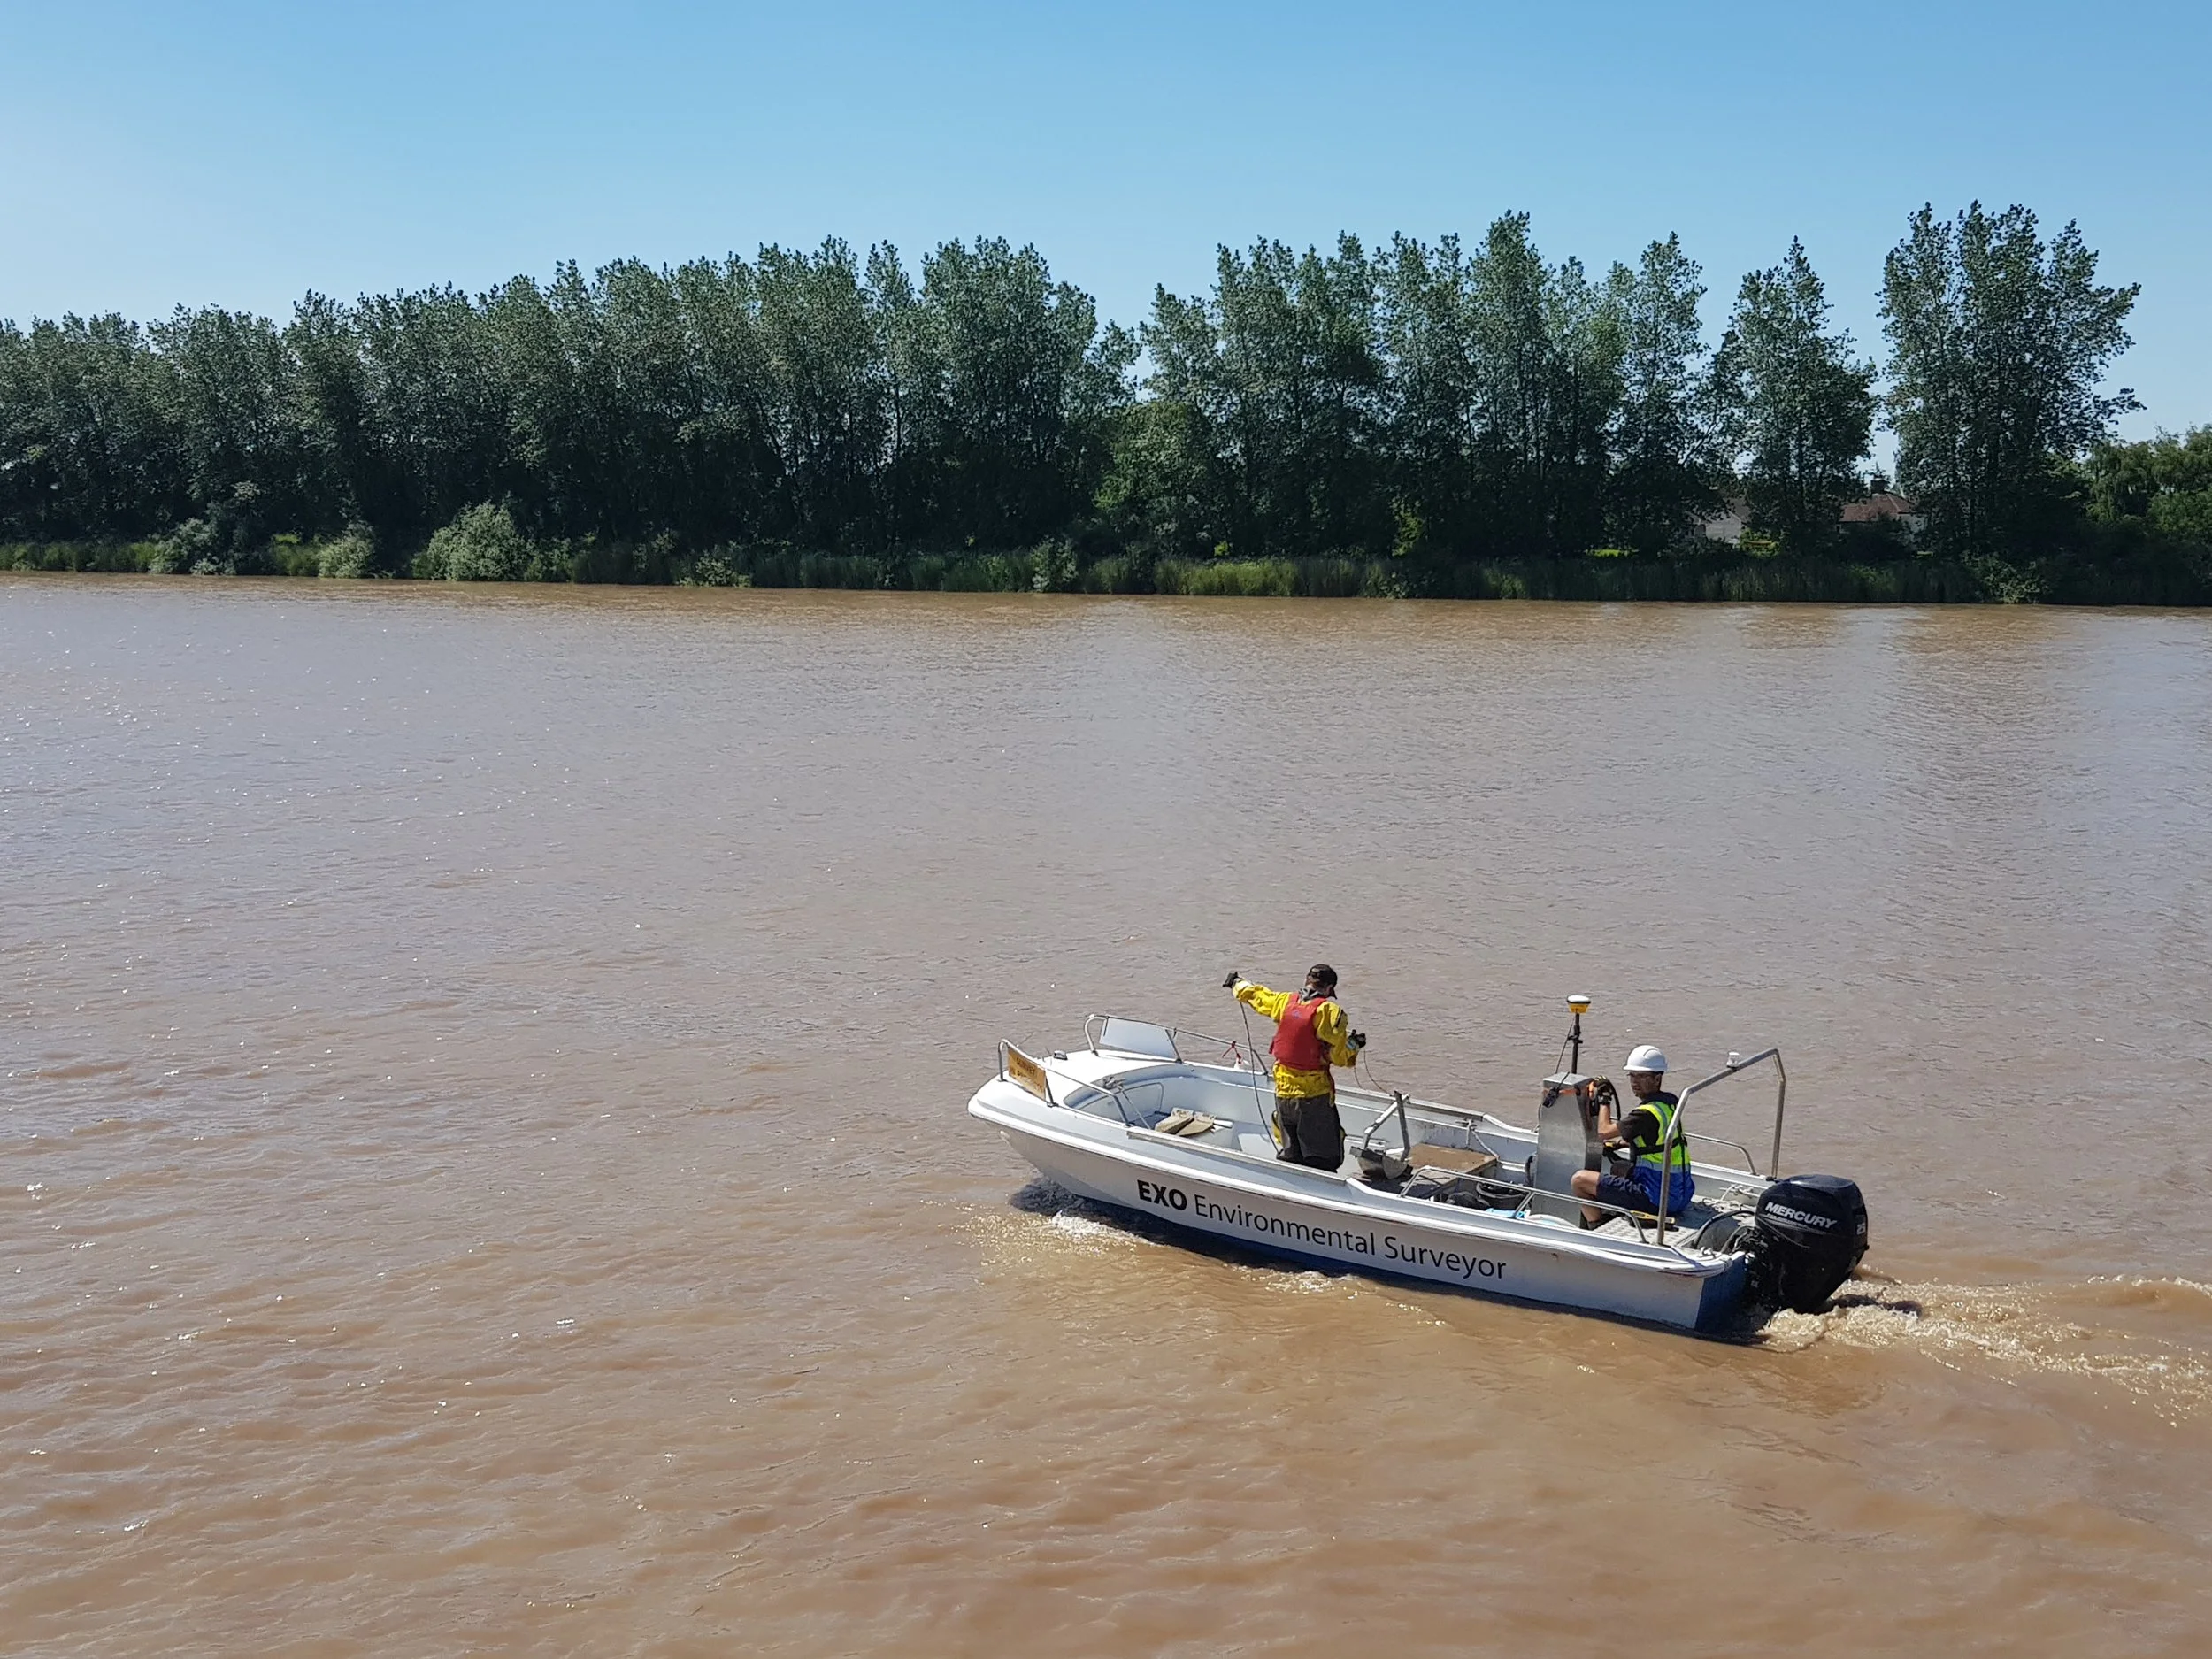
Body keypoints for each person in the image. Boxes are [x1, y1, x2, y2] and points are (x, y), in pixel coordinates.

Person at [1223, 964, 1366, 1171]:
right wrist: (1354, 1044)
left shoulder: (1284, 1001)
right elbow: (1339, 1056)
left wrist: (1236, 982)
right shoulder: (1328, 1012)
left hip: (1283, 1095)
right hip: (1313, 1097)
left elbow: (1256, 995)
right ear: (1329, 988)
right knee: (1323, 1159)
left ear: (1307, 980)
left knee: (1292, 1155)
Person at [1572, 1044, 1694, 1226]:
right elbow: (1655, 1141)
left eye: (1642, 1076)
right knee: (1618, 1169)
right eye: (1632, 1076)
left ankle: (1595, 1225)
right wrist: (1621, 1144)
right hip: (1679, 1195)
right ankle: (1621, 1209)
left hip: (1656, 1200)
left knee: (1579, 1180)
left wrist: (1605, 1099)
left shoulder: (1645, 1113)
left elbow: (1604, 1132)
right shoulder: (1670, 1104)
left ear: (1657, 1078)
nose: (1635, 1082)